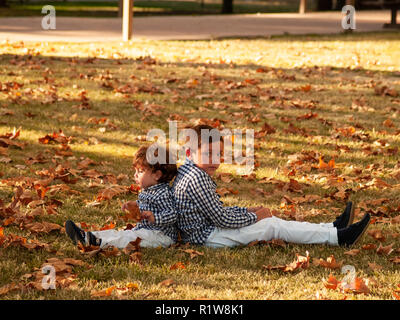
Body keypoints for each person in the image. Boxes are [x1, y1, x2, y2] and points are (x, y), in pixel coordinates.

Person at [172, 124, 370, 248]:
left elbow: (213, 211)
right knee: (271, 225)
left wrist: (246, 210)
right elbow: (222, 219)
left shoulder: (192, 171)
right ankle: (339, 238)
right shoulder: (196, 178)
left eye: (219, 154)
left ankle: (332, 228)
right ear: (189, 153)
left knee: (271, 221)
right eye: (208, 154)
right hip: (207, 237)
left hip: (209, 230)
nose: (215, 160)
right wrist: (255, 216)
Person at [65, 145, 178, 249]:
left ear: (157, 175)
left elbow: (173, 215)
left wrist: (154, 217)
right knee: (118, 233)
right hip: (146, 231)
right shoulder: (150, 189)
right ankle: (86, 236)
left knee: (127, 238)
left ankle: (99, 242)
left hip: (161, 236)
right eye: (136, 171)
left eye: (141, 171)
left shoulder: (163, 193)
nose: (135, 175)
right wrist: (135, 204)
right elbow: (147, 203)